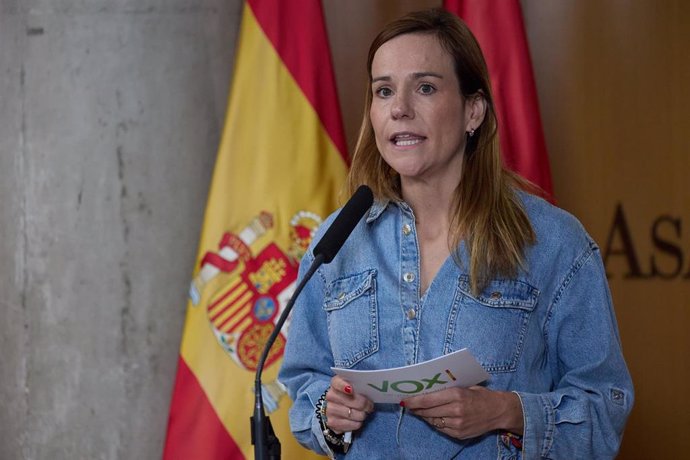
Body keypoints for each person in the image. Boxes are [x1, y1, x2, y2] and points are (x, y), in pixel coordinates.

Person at [278, 8, 633, 459]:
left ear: (473, 111)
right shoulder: (336, 241)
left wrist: (508, 411)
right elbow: (303, 382)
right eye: (384, 91)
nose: (399, 108)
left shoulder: (554, 242)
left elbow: (606, 406)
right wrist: (328, 413)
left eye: (425, 87)